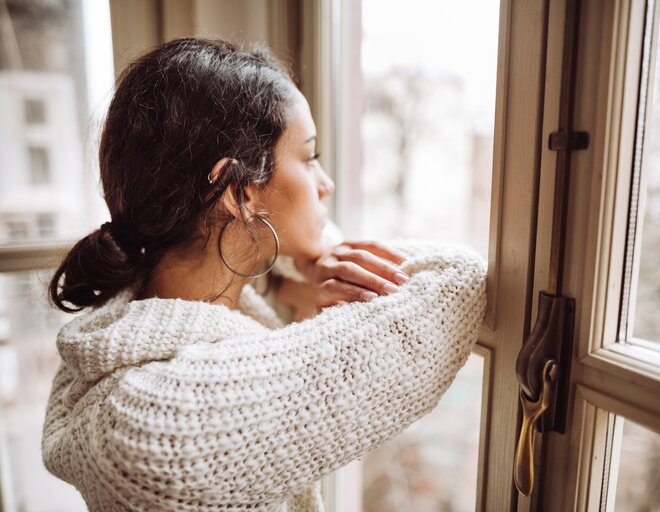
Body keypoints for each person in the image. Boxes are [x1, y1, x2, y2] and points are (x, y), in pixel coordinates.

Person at [42, 37, 487, 512]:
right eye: (309, 157)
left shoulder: (122, 329)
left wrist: (294, 266)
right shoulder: (161, 418)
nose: (326, 183)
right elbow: (458, 279)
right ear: (241, 192)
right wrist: (328, 252)